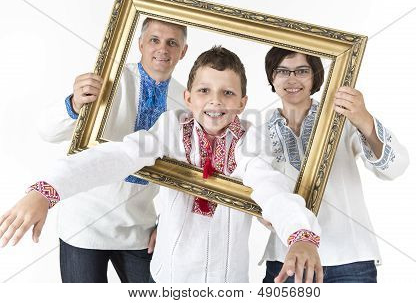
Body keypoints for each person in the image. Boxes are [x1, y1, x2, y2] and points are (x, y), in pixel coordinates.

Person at [0, 46, 322, 283]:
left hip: (227, 283)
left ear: (242, 103)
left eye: (227, 93)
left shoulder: (250, 139)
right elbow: (120, 155)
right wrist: (47, 189)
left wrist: (301, 233)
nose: (215, 101)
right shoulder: (172, 127)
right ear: (189, 98)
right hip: (168, 278)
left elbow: (270, 186)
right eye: (205, 90)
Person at [34, 17, 188, 283]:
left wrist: (167, 225)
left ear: (183, 51)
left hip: (140, 228)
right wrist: (73, 104)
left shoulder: (186, 100)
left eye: (172, 43)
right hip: (84, 225)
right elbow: (46, 131)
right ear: (140, 43)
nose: (162, 49)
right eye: (154, 40)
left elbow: (185, 176)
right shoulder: (107, 81)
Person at [259, 47, 409, 283]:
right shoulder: (258, 130)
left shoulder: (341, 118)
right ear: (272, 77)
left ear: (315, 76)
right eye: (282, 71)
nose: (292, 79)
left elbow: (396, 167)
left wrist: (363, 118)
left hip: (350, 260)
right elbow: (257, 188)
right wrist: (262, 212)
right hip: (287, 259)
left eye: (301, 71)